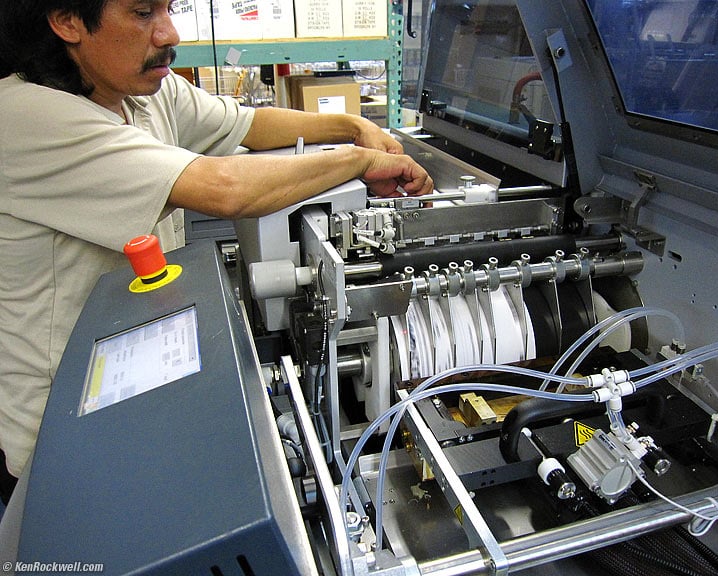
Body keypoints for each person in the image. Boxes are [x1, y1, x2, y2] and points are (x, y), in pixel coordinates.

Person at [0, 0, 434, 503]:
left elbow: (248, 123)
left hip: (146, 373)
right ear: (67, 21)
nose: (169, 33)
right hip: (66, 438)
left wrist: (352, 127)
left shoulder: (139, 90)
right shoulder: (23, 116)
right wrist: (358, 161)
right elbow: (225, 187)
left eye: (168, 7)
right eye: (143, 13)